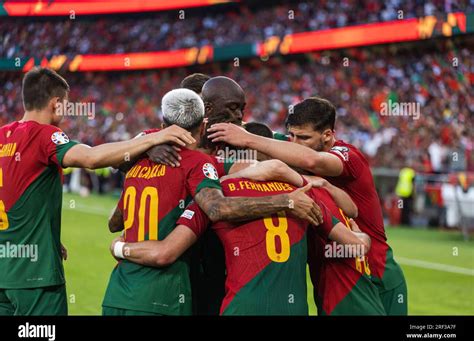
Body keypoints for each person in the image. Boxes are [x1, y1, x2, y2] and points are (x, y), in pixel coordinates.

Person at [102, 88, 322, 316]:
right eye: (233, 107)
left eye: (242, 109)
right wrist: (290, 196)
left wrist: (146, 145)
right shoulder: (196, 161)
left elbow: (115, 222)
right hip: (169, 288)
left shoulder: (142, 161)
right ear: (204, 118)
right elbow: (218, 206)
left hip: (126, 289)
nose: (239, 116)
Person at [0, 67, 196, 316]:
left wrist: (41, 237)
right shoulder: (45, 135)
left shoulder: (3, 136)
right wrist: (152, 139)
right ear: (56, 103)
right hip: (34, 277)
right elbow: (91, 158)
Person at [207, 96, 408, 315]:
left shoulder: (348, 156)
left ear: (328, 135)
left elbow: (313, 161)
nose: (293, 143)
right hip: (332, 272)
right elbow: (259, 137)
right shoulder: (297, 150)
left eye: (303, 137)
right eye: (290, 135)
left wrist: (248, 140)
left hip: (371, 270)